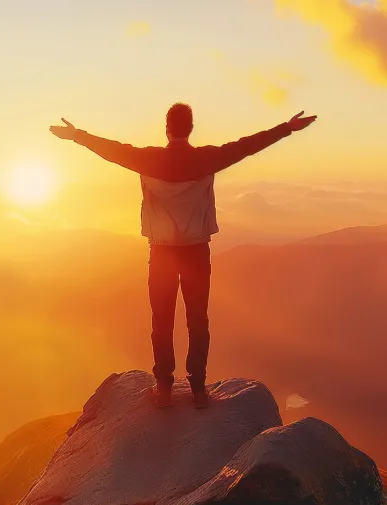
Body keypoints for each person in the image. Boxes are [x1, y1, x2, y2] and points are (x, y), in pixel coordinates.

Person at [50, 104, 318, 409]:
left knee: (162, 321)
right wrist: (287, 127)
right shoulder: (206, 158)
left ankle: (163, 388)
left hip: (162, 251)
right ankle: (199, 390)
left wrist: (76, 136)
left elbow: (111, 150)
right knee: (197, 321)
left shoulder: (148, 159)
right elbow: (247, 146)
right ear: (190, 128)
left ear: (167, 128)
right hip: (196, 251)